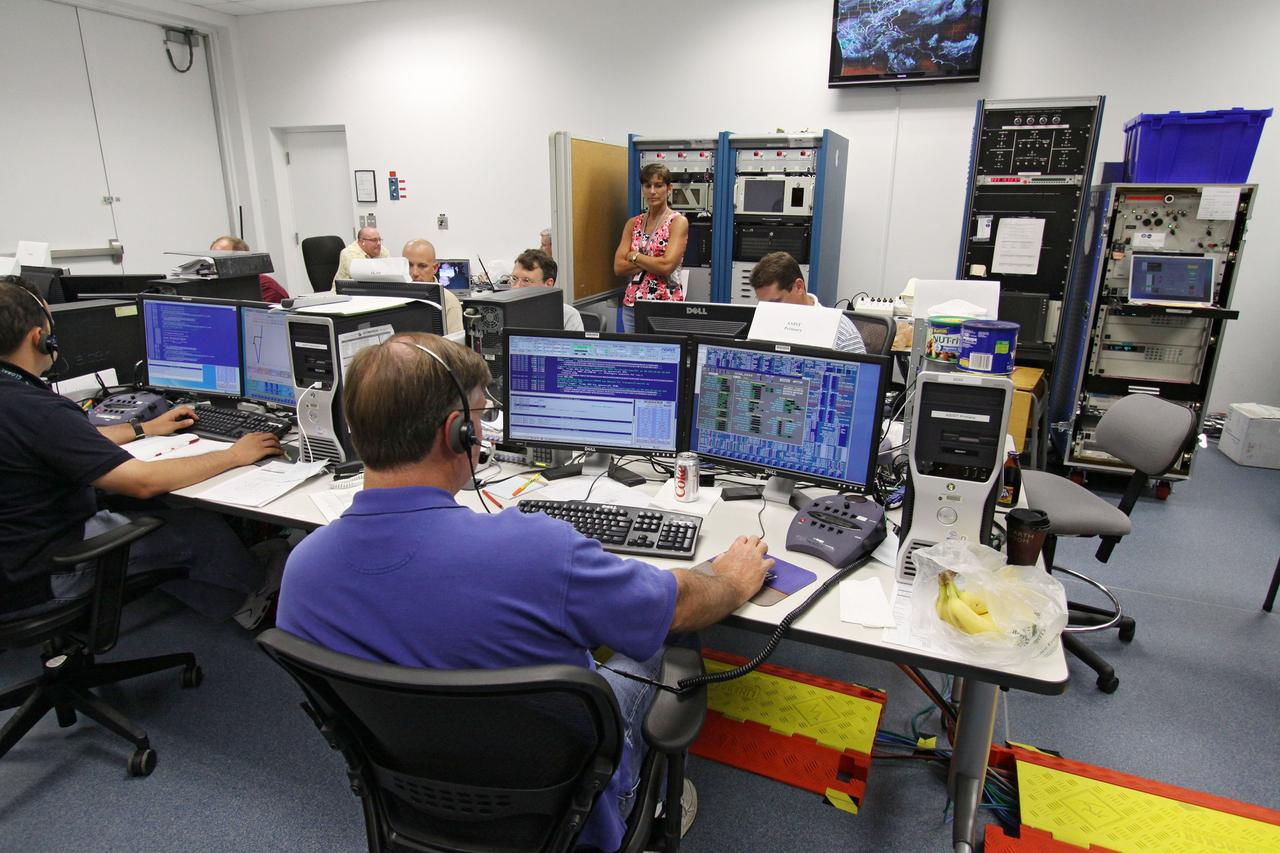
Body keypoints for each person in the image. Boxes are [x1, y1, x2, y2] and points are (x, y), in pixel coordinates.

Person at [277, 332, 772, 852]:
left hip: (410, 799)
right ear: (458, 432)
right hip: (568, 812)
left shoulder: (303, 570)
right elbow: (680, 606)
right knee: (665, 642)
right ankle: (642, 800)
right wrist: (731, 579)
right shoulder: (536, 550)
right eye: (480, 416)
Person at [0, 277, 286, 626]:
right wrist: (234, 455)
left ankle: (222, 593)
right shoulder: (36, 409)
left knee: (148, 513)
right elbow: (143, 481)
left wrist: (143, 428)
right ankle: (256, 599)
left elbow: (69, 443)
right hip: (45, 574)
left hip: (14, 560)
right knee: (198, 529)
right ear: (39, 339)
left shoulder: (18, 402)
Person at [613, 164, 689, 333]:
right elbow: (618, 267)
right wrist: (653, 260)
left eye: (658, 185)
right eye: (647, 186)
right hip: (632, 305)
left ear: (669, 188)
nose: (652, 191)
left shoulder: (677, 222)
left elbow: (666, 266)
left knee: (665, 357)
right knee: (635, 357)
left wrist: (634, 256)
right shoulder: (633, 223)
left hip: (664, 305)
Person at [749, 251, 866, 354]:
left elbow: (861, 376)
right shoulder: (761, 325)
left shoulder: (842, 332)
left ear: (799, 287)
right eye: (764, 305)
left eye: (776, 302)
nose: (770, 311)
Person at [401, 238, 464, 335]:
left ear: (435, 268)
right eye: (409, 265)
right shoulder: (393, 298)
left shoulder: (449, 303)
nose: (414, 273)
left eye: (422, 266)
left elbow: (453, 348)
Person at [510, 248, 582, 331]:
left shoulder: (567, 316)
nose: (516, 287)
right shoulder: (502, 313)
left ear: (548, 284)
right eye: (514, 279)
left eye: (526, 281)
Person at [209, 235, 288, 303]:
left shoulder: (266, 288)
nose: (215, 265)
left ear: (242, 259)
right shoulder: (217, 285)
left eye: (221, 259)